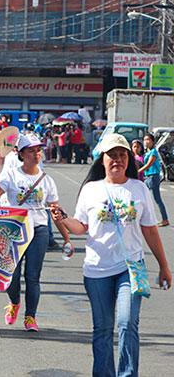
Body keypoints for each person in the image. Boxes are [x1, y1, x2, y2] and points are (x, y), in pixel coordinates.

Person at [50, 133, 171, 377]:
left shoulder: (138, 188)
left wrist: (164, 266)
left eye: (122, 155)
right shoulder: (91, 189)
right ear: (102, 160)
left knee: (127, 323)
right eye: (112, 155)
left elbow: (150, 230)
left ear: (129, 159)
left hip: (131, 267)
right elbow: (81, 227)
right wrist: (62, 219)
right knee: (103, 329)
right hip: (97, 270)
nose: (117, 160)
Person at [0, 133, 69, 332]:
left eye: (38, 150)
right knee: (12, 275)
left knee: (33, 276)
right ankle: (14, 302)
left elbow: (55, 211)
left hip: (38, 230)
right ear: (21, 154)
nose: (36, 154)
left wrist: (66, 238)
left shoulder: (46, 180)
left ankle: (30, 317)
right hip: (13, 230)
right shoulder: (11, 175)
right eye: (31, 151)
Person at [138, 134, 169, 227]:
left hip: (153, 177)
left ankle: (164, 219)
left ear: (152, 141)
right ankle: (144, 218)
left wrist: (138, 171)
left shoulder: (153, 152)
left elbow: (149, 164)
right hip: (148, 177)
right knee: (145, 197)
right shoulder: (147, 152)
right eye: (144, 140)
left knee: (154, 198)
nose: (146, 142)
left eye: (148, 139)